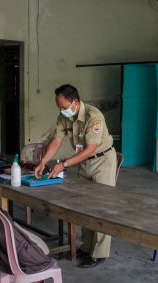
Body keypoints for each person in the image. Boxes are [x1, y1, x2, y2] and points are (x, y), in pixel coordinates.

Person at [34, 84, 117, 268]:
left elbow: (90, 149)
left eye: (64, 106)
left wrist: (63, 164)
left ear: (75, 102)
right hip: (83, 162)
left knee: (101, 207)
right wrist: (43, 162)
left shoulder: (93, 117)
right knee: (84, 205)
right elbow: (56, 140)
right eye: (59, 107)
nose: (61, 110)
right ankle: (87, 247)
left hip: (102, 161)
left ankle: (99, 253)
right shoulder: (64, 116)